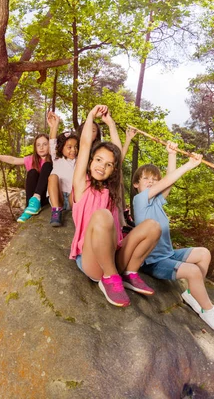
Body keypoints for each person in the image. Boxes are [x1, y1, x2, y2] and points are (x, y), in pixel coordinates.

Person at [131, 141, 214, 332]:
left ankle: (193, 294)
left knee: (203, 253)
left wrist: (172, 154)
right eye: (146, 179)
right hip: (153, 262)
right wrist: (189, 165)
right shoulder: (139, 200)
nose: (151, 182)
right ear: (136, 184)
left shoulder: (158, 202)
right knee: (192, 271)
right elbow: (167, 182)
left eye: (154, 179)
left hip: (168, 254)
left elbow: (169, 181)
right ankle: (207, 310)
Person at [70, 105, 161, 307]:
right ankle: (109, 278)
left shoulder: (112, 190)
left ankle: (129, 273)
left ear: (114, 170)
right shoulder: (81, 184)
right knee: (102, 215)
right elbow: (84, 145)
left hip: (115, 255)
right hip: (92, 260)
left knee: (153, 226)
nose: (102, 165)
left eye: (108, 164)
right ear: (91, 161)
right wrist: (91, 115)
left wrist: (110, 122)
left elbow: (118, 153)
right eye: (99, 160)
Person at [0, 134, 52, 223]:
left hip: (46, 197)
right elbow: (13, 160)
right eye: (38, 145)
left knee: (47, 165)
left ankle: (36, 198)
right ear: (35, 147)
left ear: (50, 145)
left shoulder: (54, 159)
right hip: (33, 203)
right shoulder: (32, 159)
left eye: (45, 144)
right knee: (32, 172)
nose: (41, 147)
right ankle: (30, 207)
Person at [46, 111, 78, 227]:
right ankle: (56, 211)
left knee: (78, 184)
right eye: (69, 147)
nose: (73, 150)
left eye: (76, 147)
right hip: (57, 197)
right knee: (53, 177)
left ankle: (78, 213)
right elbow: (52, 142)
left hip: (72, 198)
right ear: (61, 148)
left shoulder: (79, 161)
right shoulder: (57, 159)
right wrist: (55, 125)